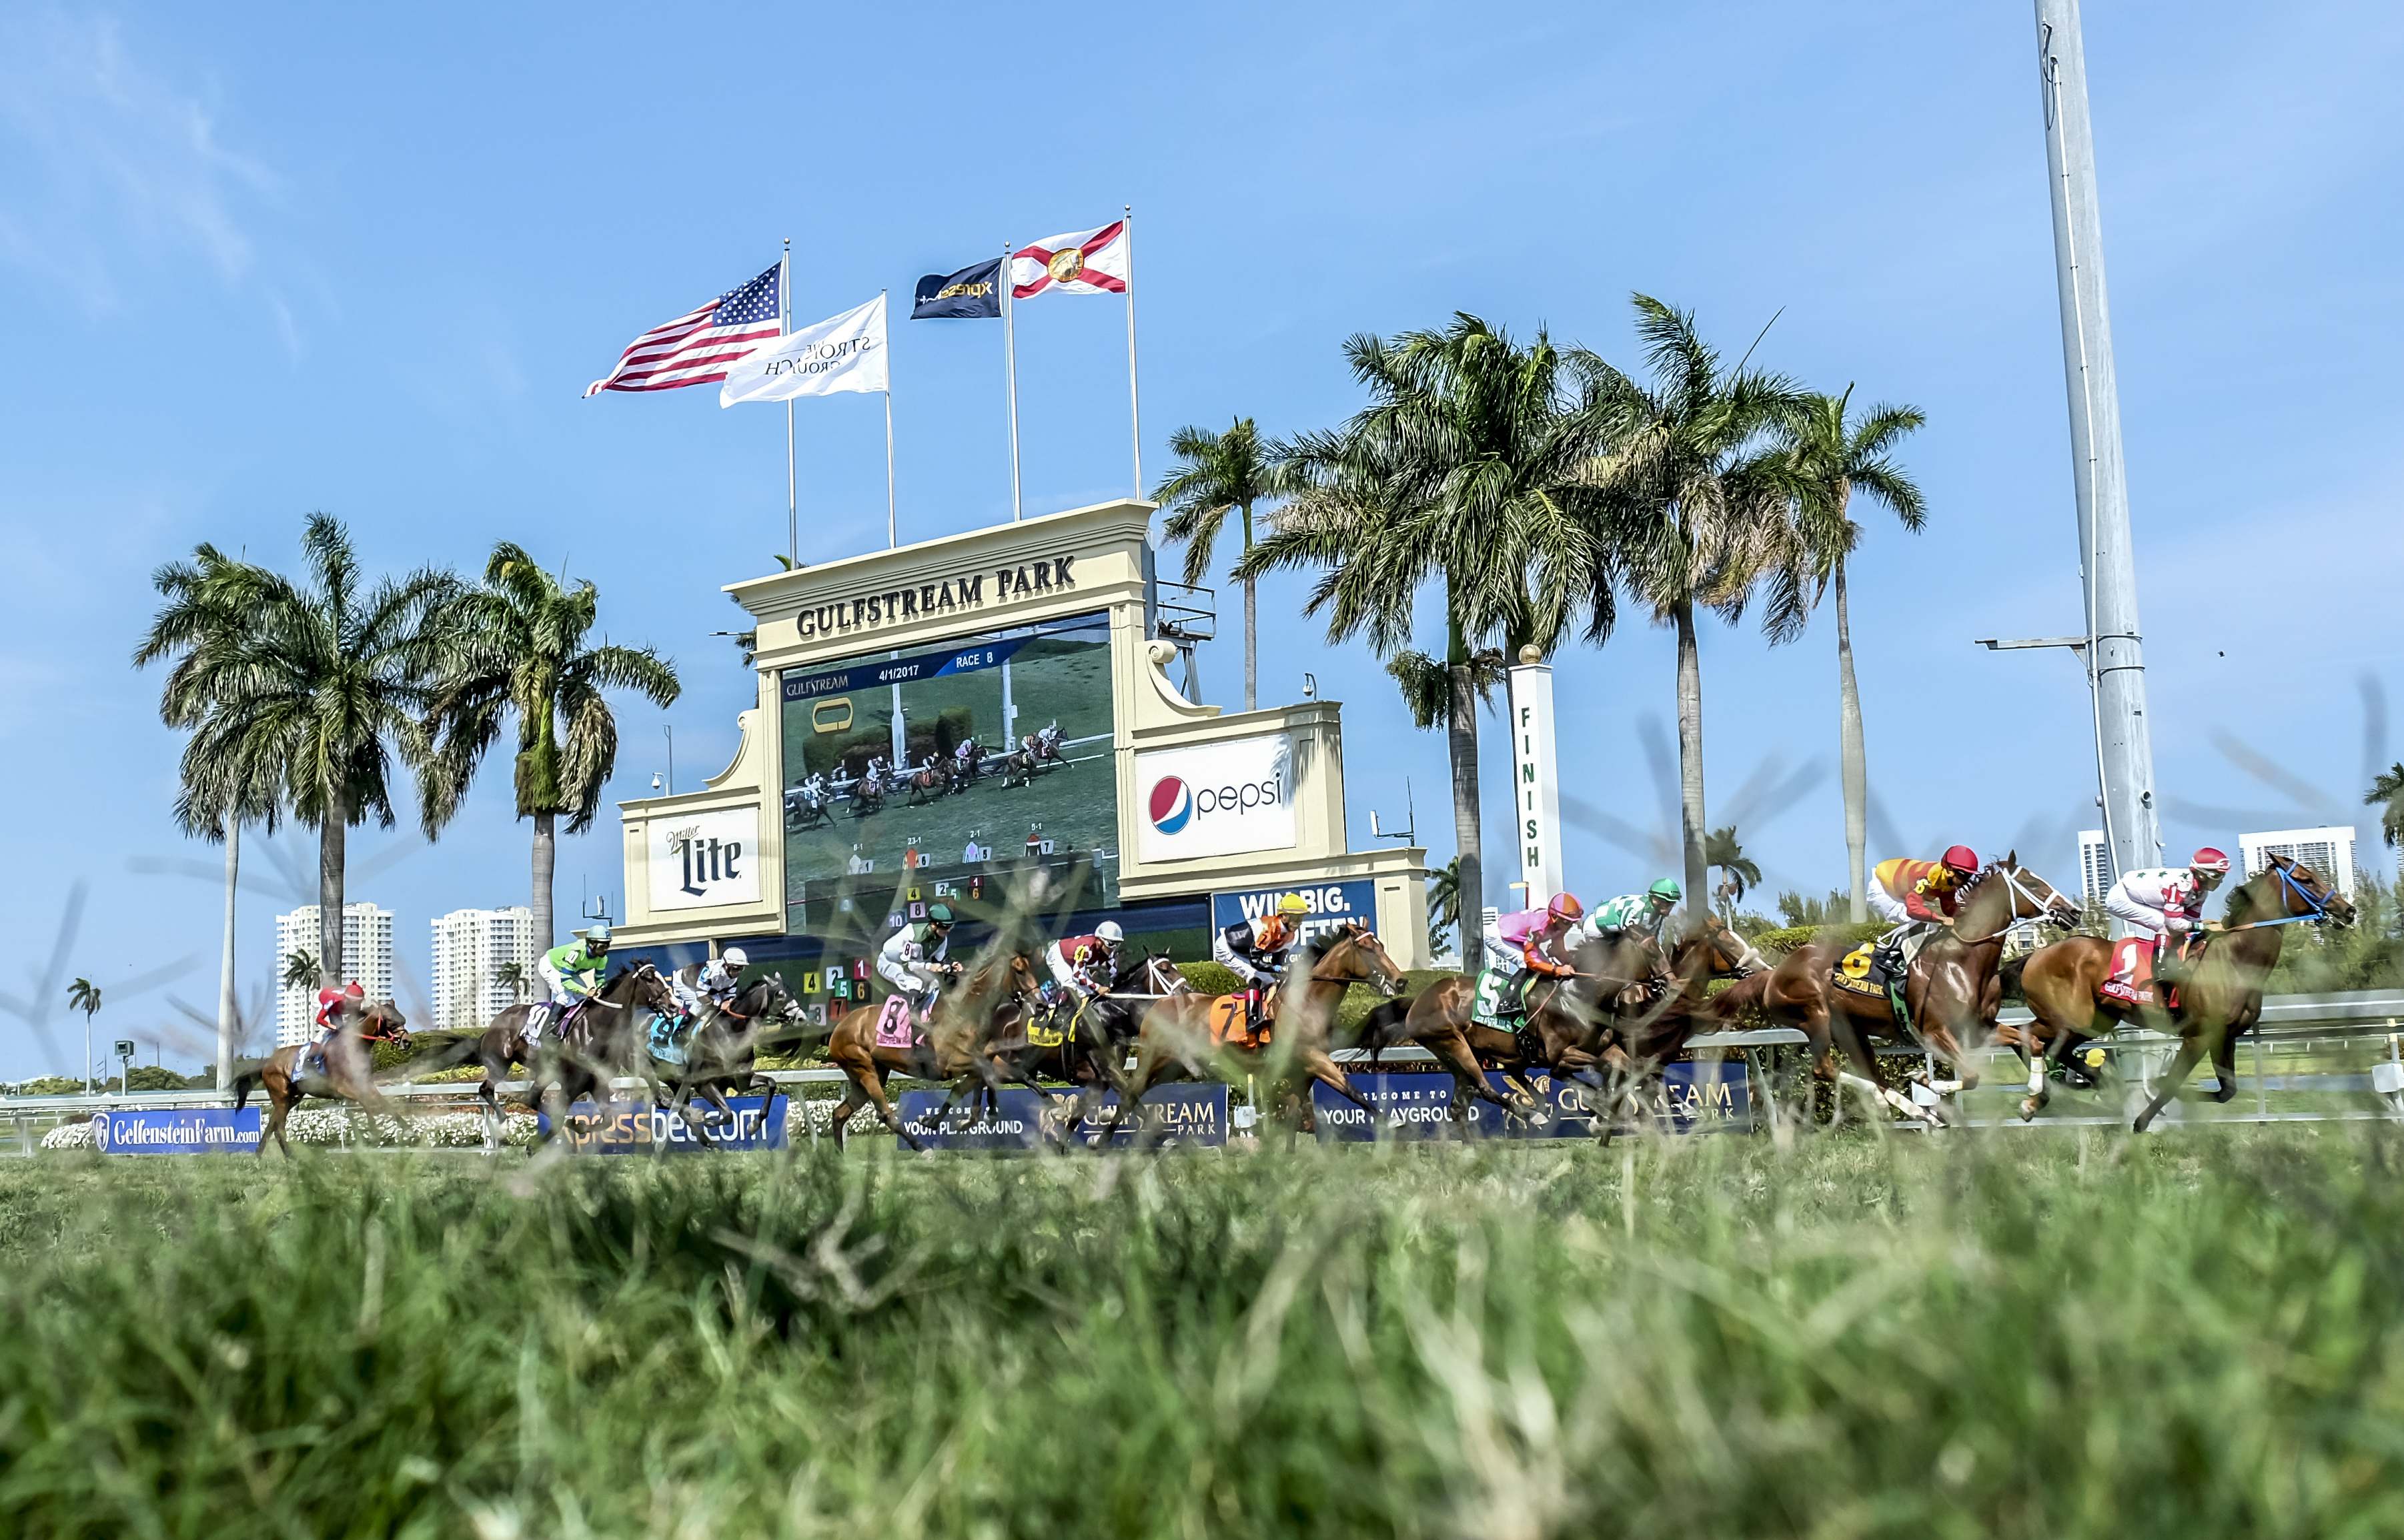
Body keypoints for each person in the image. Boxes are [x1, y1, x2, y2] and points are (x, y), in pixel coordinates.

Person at [2104, 847, 2231, 998]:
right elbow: (2175, 924)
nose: (2221, 880)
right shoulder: (2180, 885)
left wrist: (2207, 926)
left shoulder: (2202, 893)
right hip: (2121, 898)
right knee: (2164, 924)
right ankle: (2162, 969)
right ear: (2202, 875)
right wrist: (2205, 927)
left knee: (2180, 927)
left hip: (2142, 897)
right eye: (2217, 875)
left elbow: (2191, 921)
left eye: (2223, 875)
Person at [1481, 893, 1586, 1028]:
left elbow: (1558, 950)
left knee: (1546, 964)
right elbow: (1530, 961)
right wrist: (1558, 970)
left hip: (1518, 937)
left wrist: (1574, 966)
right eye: (1567, 922)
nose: (1570, 926)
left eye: (1573, 922)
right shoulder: (1538, 927)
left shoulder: (1559, 925)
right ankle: (1506, 1003)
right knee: (1525, 963)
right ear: (1554, 917)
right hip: (1498, 935)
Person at [1214, 894, 1308, 1034]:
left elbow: (1278, 962)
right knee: (1255, 975)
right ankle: (1251, 1020)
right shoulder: (1267, 929)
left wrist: (1283, 970)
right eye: (1297, 917)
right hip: (1227, 948)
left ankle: (1266, 1015)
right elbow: (1256, 962)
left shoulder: (1292, 936)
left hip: (1246, 952)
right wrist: (1280, 969)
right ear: (1284, 917)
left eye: (1302, 917)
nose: (1300, 921)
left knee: (1272, 980)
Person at [876, 904, 960, 1021]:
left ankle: (926, 1015)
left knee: (934, 983)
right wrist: (929, 966)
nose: (949, 930)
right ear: (933, 925)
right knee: (915, 983)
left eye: (951, 926)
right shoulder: (913, 935)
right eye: (945, 926)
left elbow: (939, 965)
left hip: (911, 964)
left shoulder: (942, 940)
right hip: (889, 962)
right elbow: (906, 965)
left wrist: (950, 968)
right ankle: (911, 1020)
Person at [532, 926, 612, 1048]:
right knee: (566, 994)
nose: (605, 950)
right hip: (551, 965)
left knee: (582, 998)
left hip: (570, 972)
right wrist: (586, 991)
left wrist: (600, 990)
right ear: (591, 944)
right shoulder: (576, 952)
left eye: (607, 945)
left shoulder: (603, 959)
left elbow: (600, 979)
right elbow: (565, 981)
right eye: (602, 946)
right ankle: (547, 1031)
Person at [1045, 921, 1125, 1002]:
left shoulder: (1109, 952)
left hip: (1073, 962)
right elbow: (1077, 974)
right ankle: (1055, 1010)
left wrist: (1113, 985)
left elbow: (1113, 972)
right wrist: (1098, 987)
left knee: (1089, 992)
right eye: (1111, 944)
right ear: (1099, 941)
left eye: (1117, 944)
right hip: (1058, 955)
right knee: (1072, 987)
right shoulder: (1087, 949)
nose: (1114, 948)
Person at [303, 980, 366, 1078]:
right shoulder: (332, 1001)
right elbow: (319, 1020)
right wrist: (334, 1027)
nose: (357, 1006)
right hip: (320, 1001)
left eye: (359, 1003)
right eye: (356, 1003)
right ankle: (310, 1059)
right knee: (326, 1031)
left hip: (337, 1008)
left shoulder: (354, 1001)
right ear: (347, 1000)